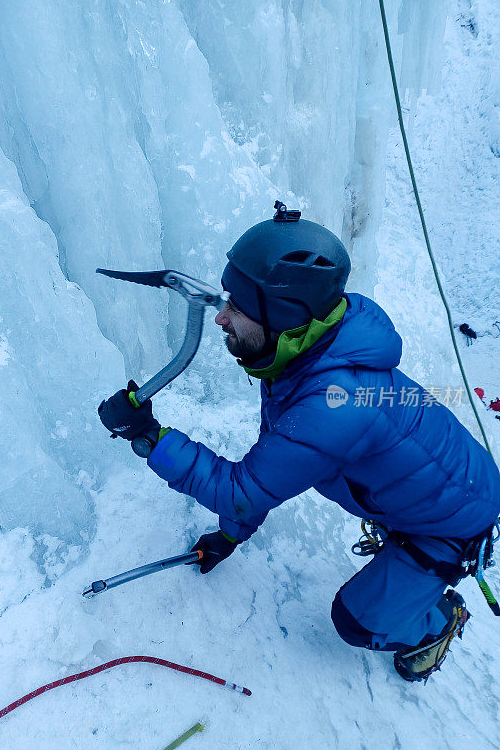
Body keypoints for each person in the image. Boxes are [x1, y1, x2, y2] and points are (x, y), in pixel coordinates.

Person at [98, 203, 500, 682]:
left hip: (451, 523)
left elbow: (241, 492)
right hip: (438, 488)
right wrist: (230, 536)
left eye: (238, 307)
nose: (222, 317)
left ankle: (438, 619)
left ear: (285, 316)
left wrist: (146, 436)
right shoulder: (305, 355)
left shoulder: (334, 406)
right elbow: (267, 469)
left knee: (355, 623)